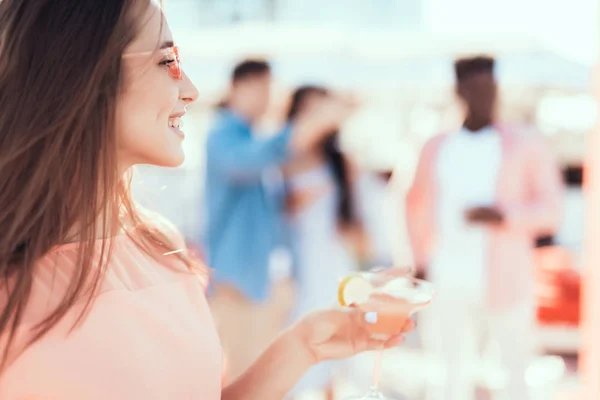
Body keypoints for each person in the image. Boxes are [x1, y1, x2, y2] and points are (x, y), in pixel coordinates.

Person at [0, 1, 414, 399]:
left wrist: (304, 345)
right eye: (168, 61)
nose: (192, 90)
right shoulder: (14, 292)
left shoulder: (160, 246)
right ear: (80, 74)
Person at [406, 55, 563, 400]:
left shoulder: (525, 143)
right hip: (447, 276)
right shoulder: (436, 147)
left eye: (490, 85)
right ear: (458, 90)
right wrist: (418, 261)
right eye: (475, 86)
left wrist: (502, 216)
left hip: (506, 278)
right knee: (447, 374)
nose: (485, 94)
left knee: (514, 372)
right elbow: (412, 206)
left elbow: (552, 211)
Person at [204, 61, 351, 381]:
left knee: (261, 375)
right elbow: (253, 159)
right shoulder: (223, 136)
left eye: (268, 90)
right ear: (236, 88)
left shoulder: (251, 137)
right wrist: (312, 122)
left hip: (265, 281)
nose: (265, 98)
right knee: (244, 377)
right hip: (239, 281)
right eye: (259, 89)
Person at [284, 86, 364, 399]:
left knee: (336, 342)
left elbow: (355, 224)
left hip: (333, 259)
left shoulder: (342, 162)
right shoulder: (283, 158)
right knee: (298, 337)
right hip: (296, 262)